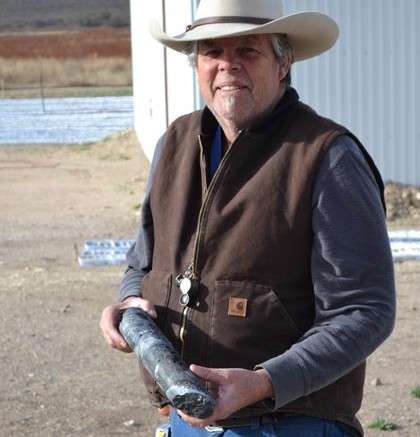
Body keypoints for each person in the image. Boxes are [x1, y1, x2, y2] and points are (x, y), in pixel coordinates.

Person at [100, 0, 396, 436]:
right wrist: (129, 304)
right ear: (197, 64)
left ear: (283, 64)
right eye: (212, 51)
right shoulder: (173, 145)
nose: (227, 65)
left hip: (290, 423)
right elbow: (142, 263)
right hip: (184, 421)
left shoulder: (327, 157)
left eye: (248, 51)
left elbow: (365, 309)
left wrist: (263, 382)